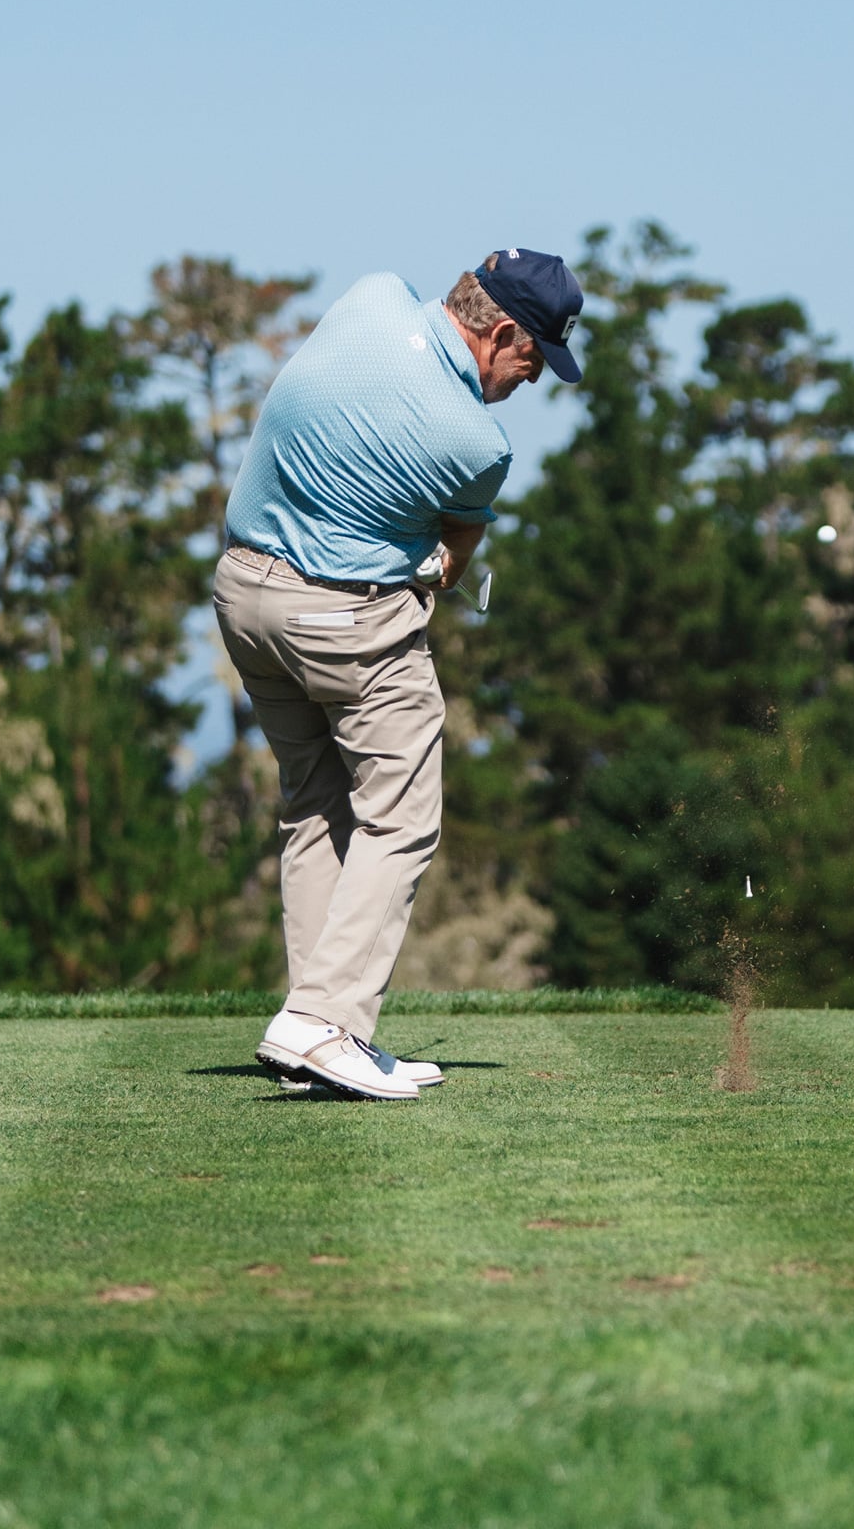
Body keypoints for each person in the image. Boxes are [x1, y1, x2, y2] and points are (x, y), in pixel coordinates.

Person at [213, 248, 583, 1100]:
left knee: (315, 805)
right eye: (536, 358)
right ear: (503, 333)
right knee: (402, 818)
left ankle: (313, 1035)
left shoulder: (371, 296)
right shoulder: (479, 444)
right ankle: (322, 1023)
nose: (534, 379)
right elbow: (451, 560)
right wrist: (436, 557)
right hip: (345, 624)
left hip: (242, 597)